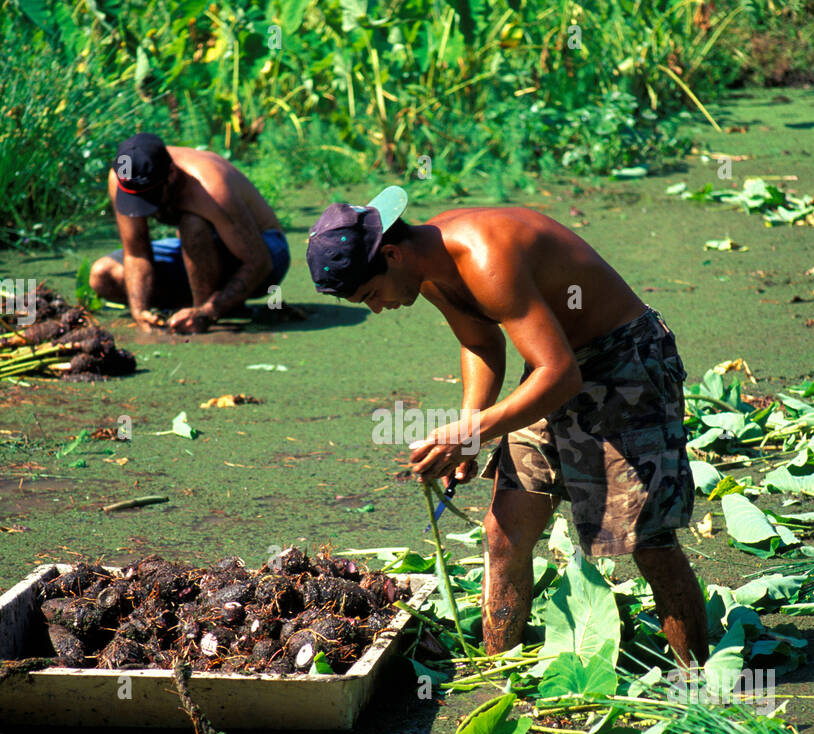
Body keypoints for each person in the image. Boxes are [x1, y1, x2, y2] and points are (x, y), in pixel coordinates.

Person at [306, 187, 707, 664]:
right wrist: (470, 428)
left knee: (649, 543)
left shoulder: (482, 256)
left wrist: (473, 432)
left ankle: (696, 682)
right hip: (550, 368)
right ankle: (498, 673)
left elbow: (561, 374)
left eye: (371, 294)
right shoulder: (427, 270)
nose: (377, 308)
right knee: (503, 532)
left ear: (391, 254)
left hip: (622, 365)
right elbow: (481, 344)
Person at [88, 133, 290, 333]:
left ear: (171, 174)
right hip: (197, 255)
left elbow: (259, 262)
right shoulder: (123, 178)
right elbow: (136, 253)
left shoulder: (210, 187)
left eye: (150, 197)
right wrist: (140, 310)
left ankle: (205, 308)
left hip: (267, 253)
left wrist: (209, 311)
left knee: (192, 223)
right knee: (103, 275)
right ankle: (194, 308)